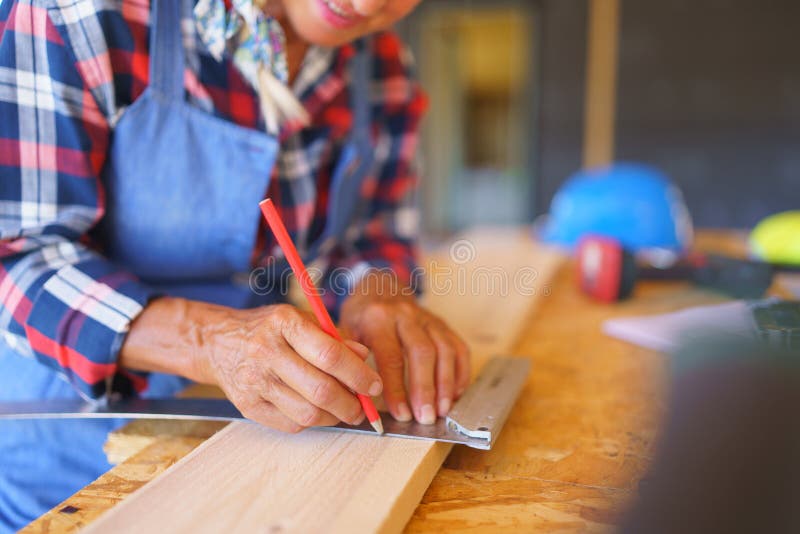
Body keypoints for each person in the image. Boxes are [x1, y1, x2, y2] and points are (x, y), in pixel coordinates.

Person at [0, 0, 470, 529]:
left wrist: (378, 294)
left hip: (252, 438)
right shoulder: (80, 15)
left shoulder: (378, 61)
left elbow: (369, 236)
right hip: (62, 451)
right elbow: (18, 257)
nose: (365, 5)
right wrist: (209, 341)